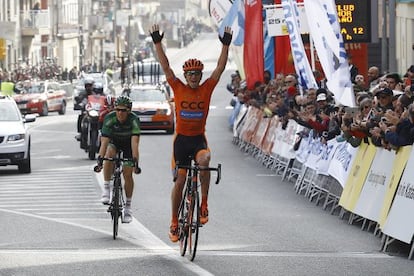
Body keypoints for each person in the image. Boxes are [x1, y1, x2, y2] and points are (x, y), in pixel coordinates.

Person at [150, 24, 232, 242]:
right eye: (190, 74)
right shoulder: (178, 87)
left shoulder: (206, 88)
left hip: (198, 140)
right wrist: (157, 43)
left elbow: (220, 69)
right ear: (185, 76)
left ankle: (203, 203)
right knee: (180, 181)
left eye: (197, 74)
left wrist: (225, 46)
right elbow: (166, 66)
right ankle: (174, 222)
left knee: (205, 160)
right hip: (181, 142)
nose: (194, 77)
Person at [95, 95, 141, 223]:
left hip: (128, 144)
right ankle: (106, 188)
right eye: (118, 110)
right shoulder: (109, 118)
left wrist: (135, 162)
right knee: (109, 154)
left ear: (129, 111)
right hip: (114, 142)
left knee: (127, 173)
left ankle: (128, 207)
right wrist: (100, 160)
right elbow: (104, 142)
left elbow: (135, 144)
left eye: (123, 110)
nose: (120, 113)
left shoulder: (134, 120)